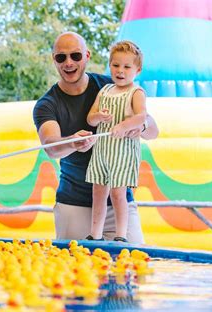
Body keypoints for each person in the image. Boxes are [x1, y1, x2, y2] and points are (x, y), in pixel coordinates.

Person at [33, 32, 159, 243]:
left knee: (132, 266)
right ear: (53, 59)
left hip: (119, 201)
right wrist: (73, 142)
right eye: (61, 57)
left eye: (75, 55)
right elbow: (51, 147)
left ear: (87, 55)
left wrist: (142, 125)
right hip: (74, 203)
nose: (69, 63)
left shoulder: (114, 85)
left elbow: (153, 130)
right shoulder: (47, 104)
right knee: (76, 269)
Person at [85, 41, 147, 242]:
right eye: (116, 65)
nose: (120, 71)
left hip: (122, 151)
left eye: (127, 67)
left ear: (137, 70)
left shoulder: (136, 92)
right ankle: (96, 233)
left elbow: (141, 117)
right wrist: (98, 117)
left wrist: (125, 125)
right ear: (110, 65)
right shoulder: (104, 90)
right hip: (102, 151)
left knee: (118, 193)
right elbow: (90, 117)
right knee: (98, 191)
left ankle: (121, 234)